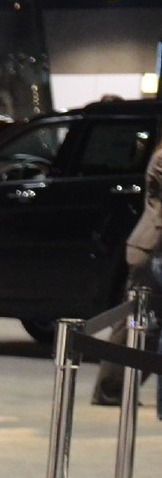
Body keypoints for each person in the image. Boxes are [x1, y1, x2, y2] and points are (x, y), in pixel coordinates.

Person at [94, 135, 162, 407]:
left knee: (148, 325)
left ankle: (116, 389)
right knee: (134, 321)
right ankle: (110, 389)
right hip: (151, 249)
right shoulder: (161, 158)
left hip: (152, 249)